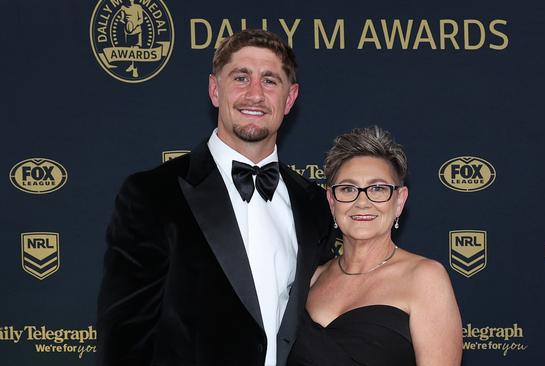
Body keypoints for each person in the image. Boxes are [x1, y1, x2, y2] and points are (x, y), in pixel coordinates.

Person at [97, 29, 334, 366]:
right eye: (241, 77)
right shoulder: (153, 194)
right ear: (214, 89)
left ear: (290, 97)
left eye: (270, 81)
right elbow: (124, 338)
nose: (255, 94)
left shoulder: (312, 203)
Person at [287, 126, 462, 366]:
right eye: (348, 189)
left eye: (377, 189)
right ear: (331, 200)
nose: (362, 202)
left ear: (399, 201)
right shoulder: (311, 278)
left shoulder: (424, 278)